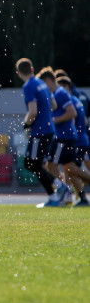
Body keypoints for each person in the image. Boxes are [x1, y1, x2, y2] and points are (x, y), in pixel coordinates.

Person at [16, 59, 68, 207]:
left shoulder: (28, 86)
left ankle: (58, 187)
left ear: (19, 72)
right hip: (49, 129)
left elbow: (32, 112)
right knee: (36, 164)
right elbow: (54, 105)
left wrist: (26, 124)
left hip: (39, 131)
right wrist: (45, 116)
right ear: (32, 69)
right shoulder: (42, 84)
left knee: (30, 163)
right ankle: (54, 196)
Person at [57, 76, 90, 206]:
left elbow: (73, 121)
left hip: (76, 140)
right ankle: (75, 197)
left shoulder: (68, 100)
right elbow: (86, 121)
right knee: (69, 169)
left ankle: (77, 197)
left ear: (67, 88)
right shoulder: (76, 100)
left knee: (71, 169)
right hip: (83, 139)